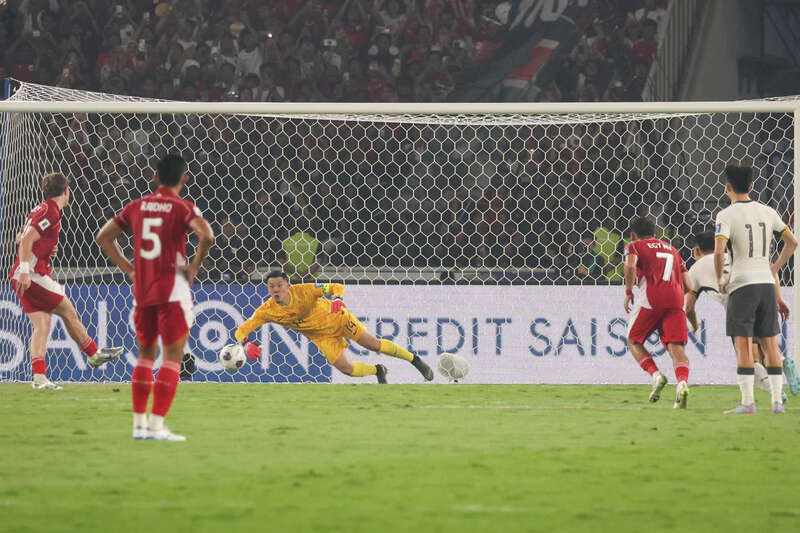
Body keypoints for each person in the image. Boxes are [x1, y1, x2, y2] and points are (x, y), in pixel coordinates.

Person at [96, 153, 214, 440]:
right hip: (172, 289)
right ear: (184, 179)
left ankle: (139, 425)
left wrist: (129, 269)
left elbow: (103, 237)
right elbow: (207, 236)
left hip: (143, 289)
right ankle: (156, 425)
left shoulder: (137, 206)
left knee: (145, 355)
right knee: (173, 357)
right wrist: (194, 266)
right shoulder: (183, 207)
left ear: (155, 177)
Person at [9, 173, 123, 390]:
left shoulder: (41, 208)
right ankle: (94, 354)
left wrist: (44, 247)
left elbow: (20, 237)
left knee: (41, 325)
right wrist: (24, 270)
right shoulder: (51, 211)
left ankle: (39, 379)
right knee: (67, 310)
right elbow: (26, 239)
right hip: (31, 276)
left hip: (22, 275)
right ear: (66, 192)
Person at [231, 272, 434, 384]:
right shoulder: (267, 311)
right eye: (271, 286)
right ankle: (378, 370)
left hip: (338, 318)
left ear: (288, 286)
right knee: (347, 370)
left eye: (279, 285)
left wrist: (337, 299)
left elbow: (336, 286)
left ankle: (414, 360)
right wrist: (246, 343)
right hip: (322, 337)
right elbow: (241, 330)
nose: (275, 289)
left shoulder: (305, 291)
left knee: (373, 344)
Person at [714, 165, 798, 414]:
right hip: (766, 285)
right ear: (751, 186)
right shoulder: (768, 211)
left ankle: (748, 403)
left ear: (727, 187)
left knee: (743, 345)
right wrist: (775, 267)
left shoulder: (725, 215)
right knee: (771, 344)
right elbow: (792, 242)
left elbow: (719, 251)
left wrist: (720, 278)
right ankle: (776, 402)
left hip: (742, 285)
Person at [685, 230, 796, 403]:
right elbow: (771, 271)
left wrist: (694, 323)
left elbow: (688, 307)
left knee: (745, 358)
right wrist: (779, 299)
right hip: (762, 293)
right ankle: (783, 361)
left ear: (696, 250)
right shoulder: (736, 256)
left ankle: (776, 392)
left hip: (738, 304)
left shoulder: (696, 268)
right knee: (764, 347)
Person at [623, 216, 691, 408]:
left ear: (633, 235)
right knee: (676, 347)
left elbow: (630, 265)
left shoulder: (634, 246)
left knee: (633, 341)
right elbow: (688, 283)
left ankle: (656, 375)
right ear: (655, 233)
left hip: (652, 297)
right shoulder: (673, 250)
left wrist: (628, 291)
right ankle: (682, 383)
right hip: (677, 299)